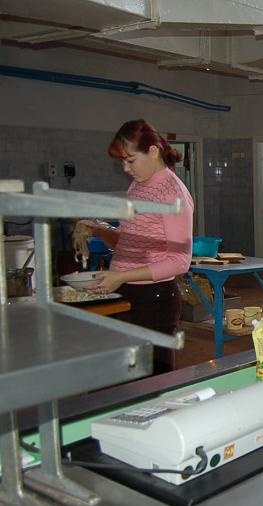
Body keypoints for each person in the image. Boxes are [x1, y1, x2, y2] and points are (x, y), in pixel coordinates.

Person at [78, 119, 194, 375]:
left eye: (130, 160)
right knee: (120, 376)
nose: (125, 168)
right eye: (122, 161)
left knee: (147, 383)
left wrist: (121, 276)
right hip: (126, 291)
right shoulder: (139, 185)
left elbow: (179, 262)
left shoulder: (173, 192)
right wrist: (99, 229)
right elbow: (130, 240)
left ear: (153, 151)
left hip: (154, 300)